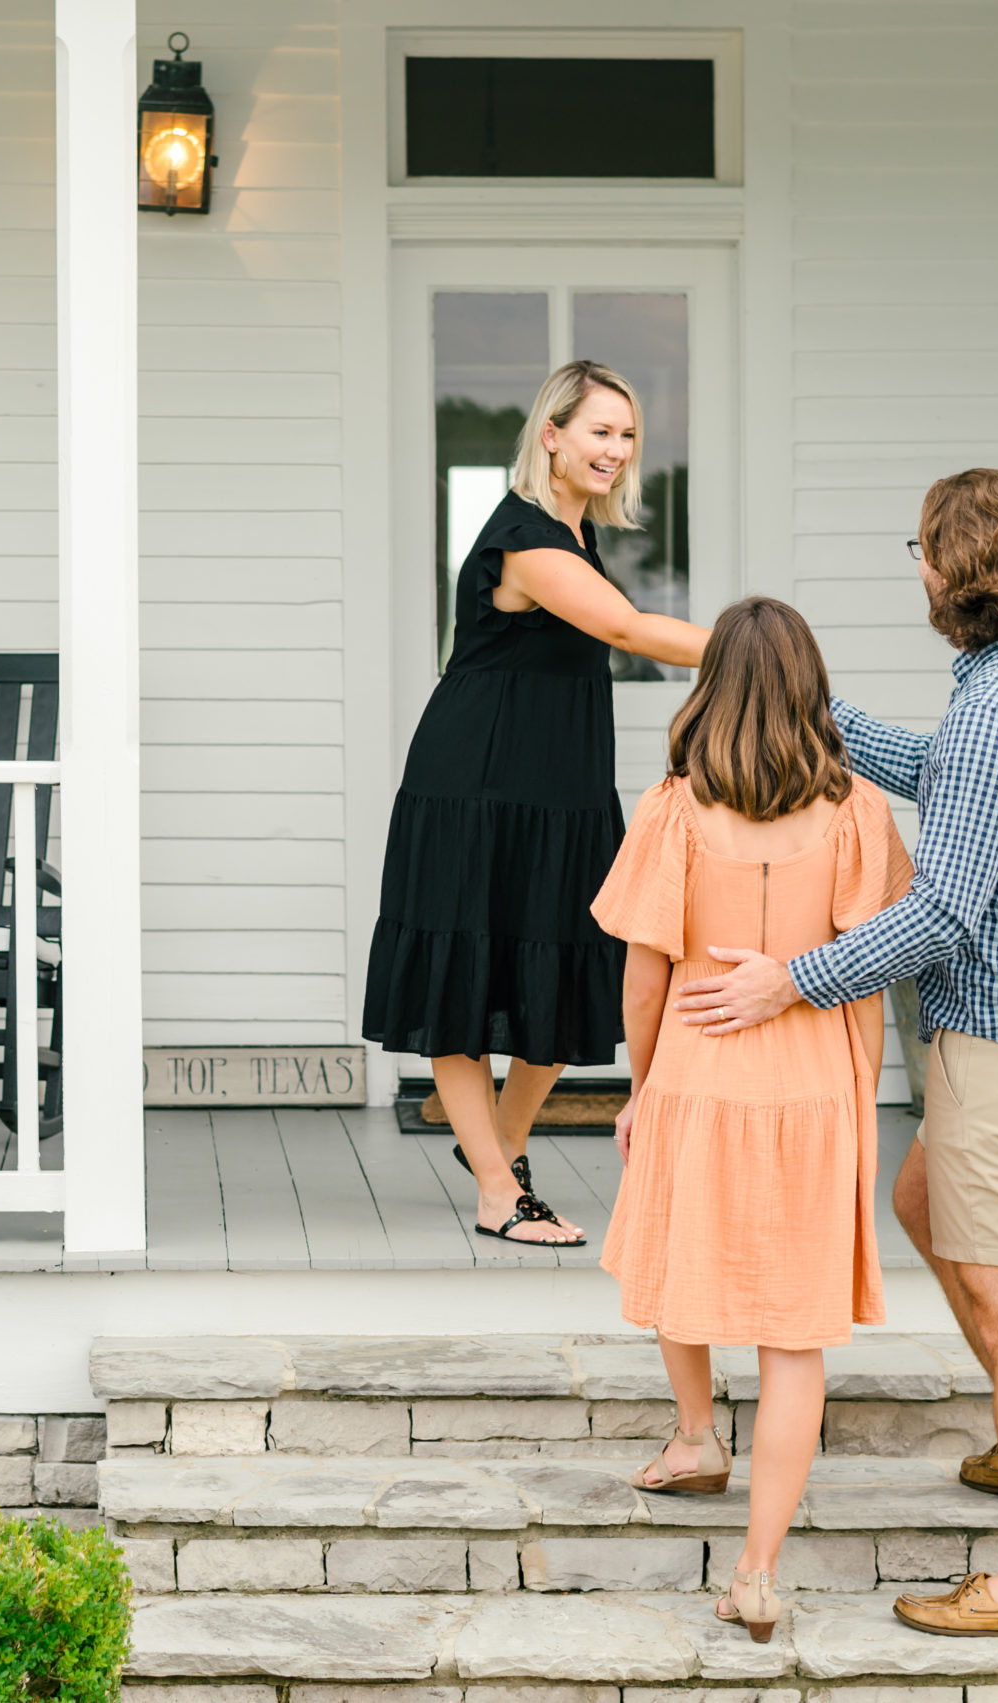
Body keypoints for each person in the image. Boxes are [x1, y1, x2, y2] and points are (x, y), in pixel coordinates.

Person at [671, 468, 998, 1643]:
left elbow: (941, 915)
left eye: (919, 550)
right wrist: (814, 715)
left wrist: (787, 979)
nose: (912, 565)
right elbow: (953, 784)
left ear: (950, 571)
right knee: (921, 1202)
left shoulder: (995, 710)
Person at [593, 596, 913, 1646]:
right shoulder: (863, 809)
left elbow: (644, 975)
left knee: (676, 1259)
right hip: (814, 1083)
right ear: (812, 687)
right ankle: (759, 1571)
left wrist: (641, 1083)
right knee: (791, 1340)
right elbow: (872, 960)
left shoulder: (672, 810)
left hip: (696, 1066)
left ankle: (694, 1432)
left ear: (711, 686)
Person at [363, 359, 707, 1246]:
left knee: (566, 975)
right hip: (475, 784)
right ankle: (497, 1189)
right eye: (599, 431)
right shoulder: (524, 537)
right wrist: (758, 644)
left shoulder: (577, 534)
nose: (617, 450)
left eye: (628, 435)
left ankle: (498, 1151)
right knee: (463, 978)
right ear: (550, 435)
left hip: (560, 789)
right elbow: (628, 630)